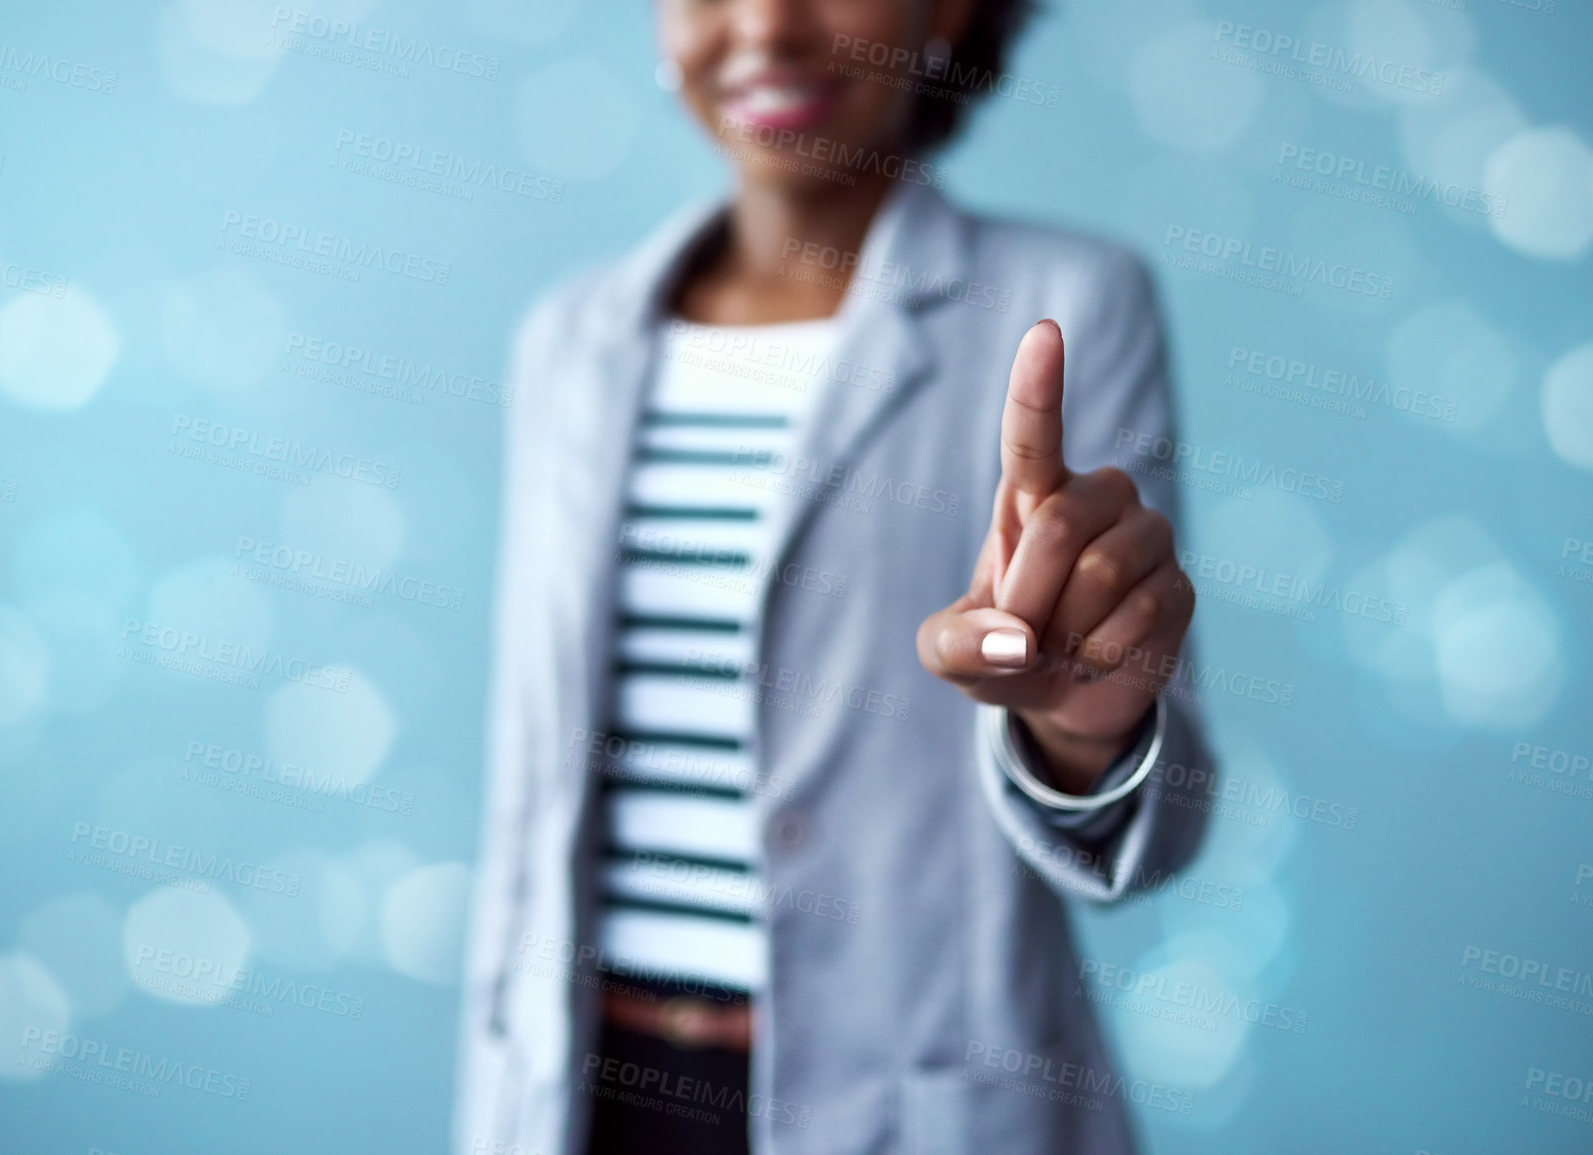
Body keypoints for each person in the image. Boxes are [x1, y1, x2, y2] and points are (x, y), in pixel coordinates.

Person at [458, 1, 1215, 1152]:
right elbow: (530, 794)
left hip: (915, 1111)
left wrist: (1082, 733)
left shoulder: (1066, 301)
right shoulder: (569, 340)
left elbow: (1167, 818)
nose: (764, 25)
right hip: (577, 1096)